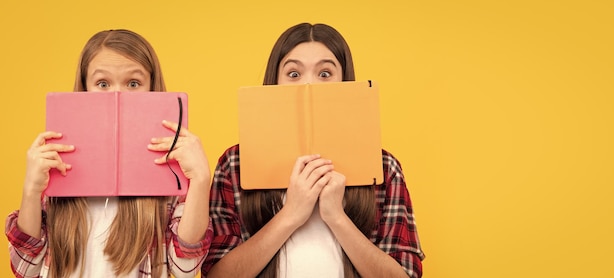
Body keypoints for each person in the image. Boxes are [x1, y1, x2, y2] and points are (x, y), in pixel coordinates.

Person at [202, 23, 425, 278]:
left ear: (345, 83)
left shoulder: (383, 166)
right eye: (294, 74)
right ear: (274, 83)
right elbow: (215, 275)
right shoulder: (235, 164)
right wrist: (291, 214)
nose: (309, 84)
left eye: (325, 73)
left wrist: (337, 217)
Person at [5, 29, 213, 278]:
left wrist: (200, 181)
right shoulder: (57, 165)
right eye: (102, 84)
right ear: (84, 89)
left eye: (133, 83)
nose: (118, 95)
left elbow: (186, 269)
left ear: (152, 89)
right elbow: (25, 269)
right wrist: (31, 190)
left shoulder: (170, 177)